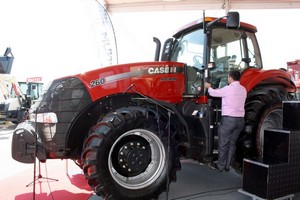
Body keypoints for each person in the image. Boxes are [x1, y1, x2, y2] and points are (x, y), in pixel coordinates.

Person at [204, 70, 246, 172]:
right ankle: (228, 165)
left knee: (223, 143)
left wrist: (209, 87)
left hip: (229, 120)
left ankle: (220, 166)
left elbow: (213, 93)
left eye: (228, 77)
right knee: (232, 144)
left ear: (230, 77)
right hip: (240, 121)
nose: (227, 79)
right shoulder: (243, 89)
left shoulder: (228, 89)